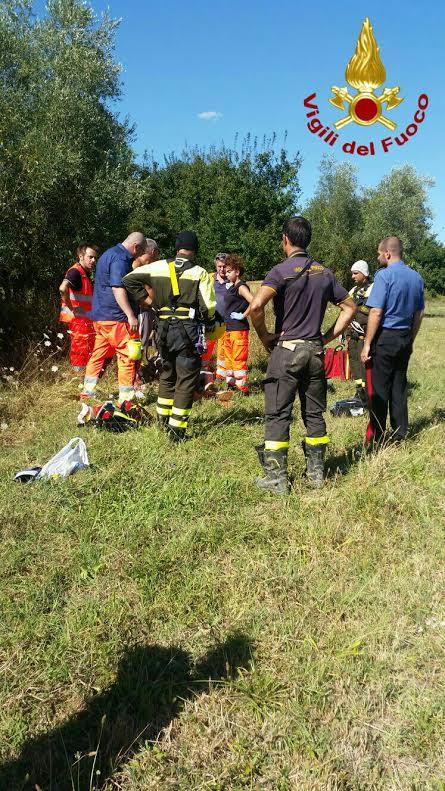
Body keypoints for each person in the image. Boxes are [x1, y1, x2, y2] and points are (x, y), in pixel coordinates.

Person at [250, 216, 356, 494]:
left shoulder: (280, 271)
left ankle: (276, 479)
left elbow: (257, 306)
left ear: (285, 239)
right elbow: (350, 308)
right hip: (315, 352)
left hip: (286, 351)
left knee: (277, 414)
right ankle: (316, 476)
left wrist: (263, 337)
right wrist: (326, 337)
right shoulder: (325, 273)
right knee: (314, 414)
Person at [123, 231, 216, 441]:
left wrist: (147, 301)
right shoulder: (200, 272)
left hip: (163, 329)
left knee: (166, 376)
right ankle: (176, 432)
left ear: (176, 249)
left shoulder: (158, 267)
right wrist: (208, 320)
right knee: (185, 380)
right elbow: (209, 307)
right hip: (188, 331)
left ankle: (162, 422)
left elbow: (128, 279)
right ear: (195, 250)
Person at [361, 236, 424, 445]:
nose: (379, 257)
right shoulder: (416, 277)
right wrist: (411, 338)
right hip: (405, 336)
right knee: (399, 387)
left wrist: (368, 343)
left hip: (385, 337)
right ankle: (400, 435)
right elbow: (419, 314)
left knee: (380, 389)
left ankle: (378, 436)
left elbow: (376, 312)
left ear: (387, 253)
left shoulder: (384, 276)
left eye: (379, 254)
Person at [80, 232, 147, 404]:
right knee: (127, 355)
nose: (140, 255)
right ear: (136, 247)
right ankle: (126, 400)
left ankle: (87, 394)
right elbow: (118, 288)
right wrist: (131, 315)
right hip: (117, 318)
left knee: (98, 356)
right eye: (141, 251)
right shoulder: (120, 259)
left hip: (100, 317)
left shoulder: (107, 255)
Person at [59, 243, 98, 372]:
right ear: (81, 256)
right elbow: (62, 288)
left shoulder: (83, 273)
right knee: (80, 351)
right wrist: (72, 308)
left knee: (85, 349)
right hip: (78, 320)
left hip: (83, 320)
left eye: (95, 258)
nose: (93, 261)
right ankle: (78, 379)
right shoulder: (75, 272)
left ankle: (84, 379)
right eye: (90, 257)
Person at [223, 254, 253, 394]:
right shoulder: (232, 287)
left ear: (237, 272)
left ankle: (242, 388)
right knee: (229, 358)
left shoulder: (241, 287)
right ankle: (231, 383)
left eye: (229, 271)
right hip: (229, 329)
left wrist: (243, 315)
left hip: (239, 329)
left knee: (238, 358)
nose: (226, 273)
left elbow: (254, 302)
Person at [346, 260, 373, 406]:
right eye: (352, 273)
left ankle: (369, 395)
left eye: (355, 273)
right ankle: (359, 391)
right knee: (355, 365)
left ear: (365, 274)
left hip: (365, 336)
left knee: (365, 366)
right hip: (353, 336)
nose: (352, 276)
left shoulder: (373, 290)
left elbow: (375, 313)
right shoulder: (353, 291)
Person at [201, 253, 228, 381]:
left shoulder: (232, 278)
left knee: (224, 349)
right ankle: (204, 371)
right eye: (219, 266)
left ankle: (221, 375)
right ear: (215, 266)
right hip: (211, 320)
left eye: (224, 266)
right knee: (207, 347)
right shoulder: (210, 278)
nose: (222, 269)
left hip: (226, 321)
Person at [132, 238, 160, 352]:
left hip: (151, 309)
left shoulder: (151, 267)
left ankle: (145, 366)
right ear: (153, 252)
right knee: (140, 342)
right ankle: (136, 368)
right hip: (141, 310)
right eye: (158, 252)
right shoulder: (136, 264)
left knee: (149, 342)